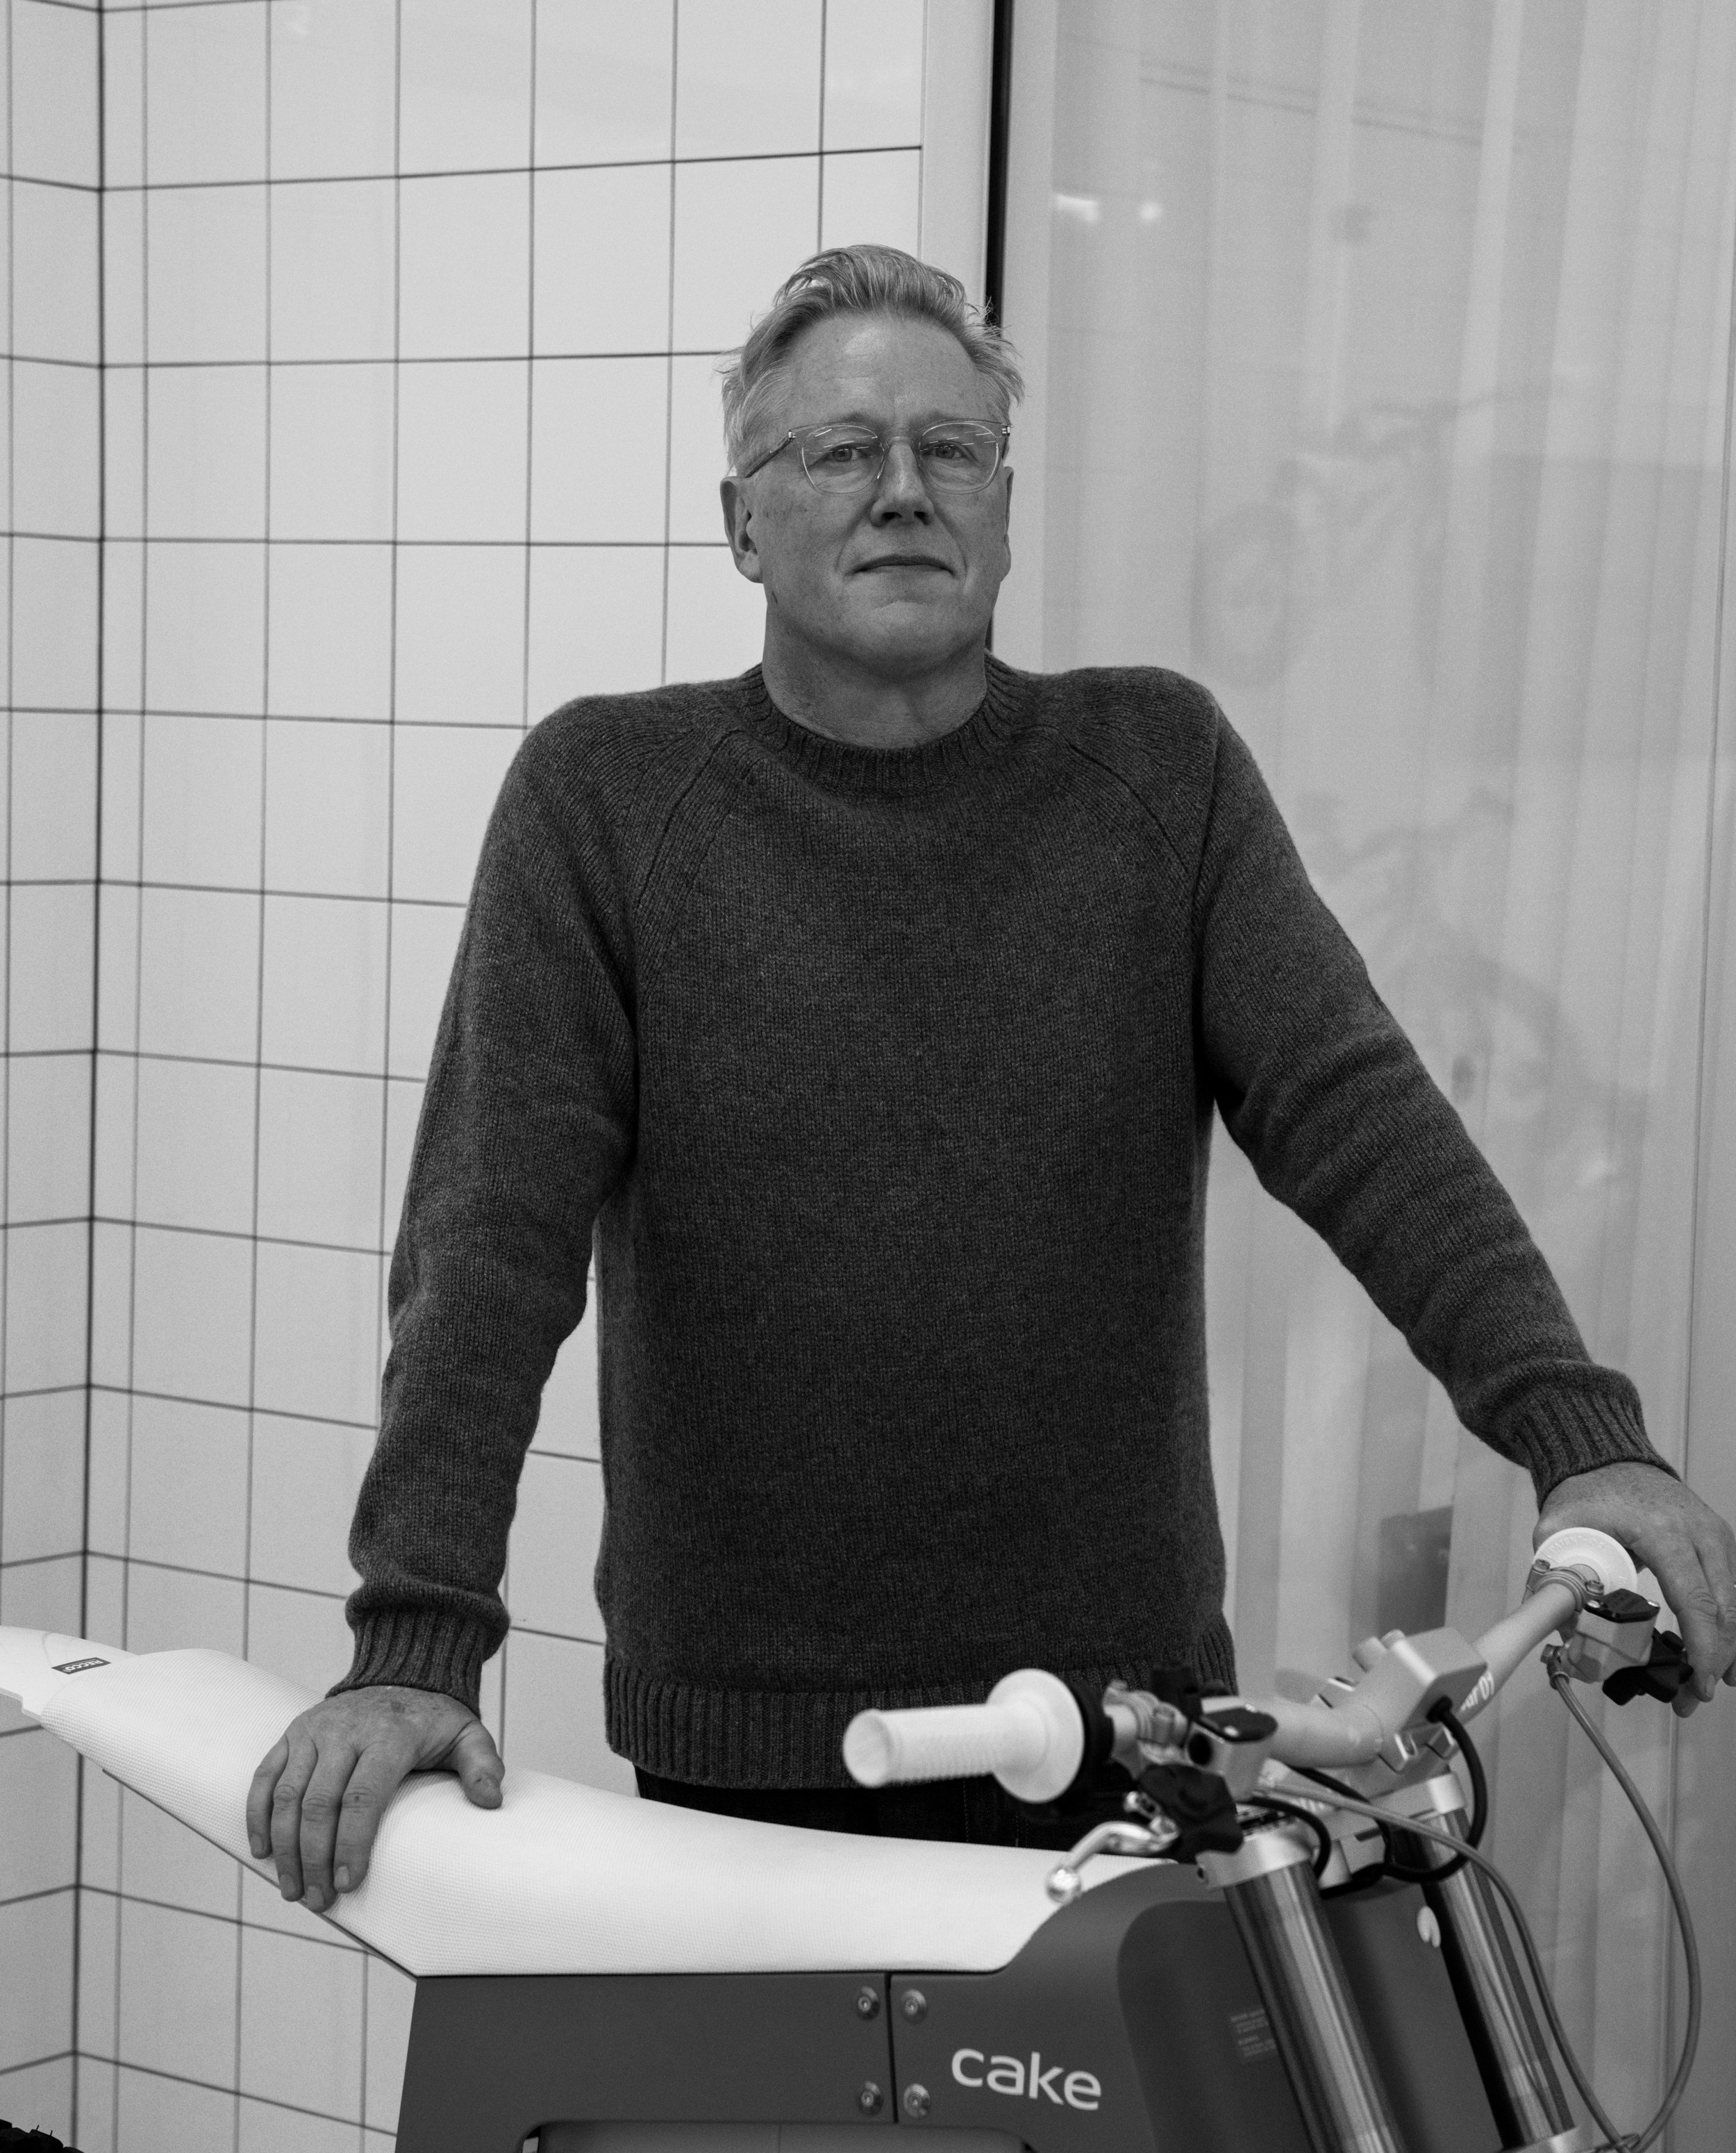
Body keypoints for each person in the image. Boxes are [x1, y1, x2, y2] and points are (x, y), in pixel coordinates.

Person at [249, 245, 1736, 1913]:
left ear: (1005, 511)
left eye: (948, 450)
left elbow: (1356, 1117)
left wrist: (1575, 1434)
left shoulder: (1153, 770)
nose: (901, 490)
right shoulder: (605, 800)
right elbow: (488, 1248)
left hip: (1129, 1737)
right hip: (760, 1756)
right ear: (739, 523)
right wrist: (415, 1642)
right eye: (836, 450)